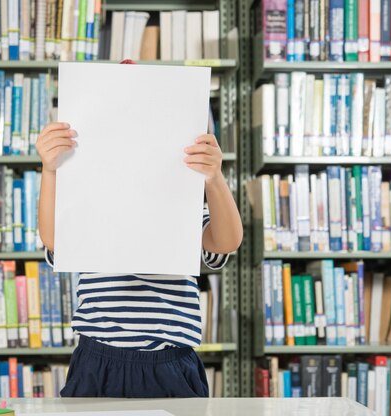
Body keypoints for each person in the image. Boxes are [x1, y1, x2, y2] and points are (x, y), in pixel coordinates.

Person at [36, 69, 243, 398]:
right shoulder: (87, 199)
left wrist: (214, 179)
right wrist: (50, 169)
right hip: (97, 360)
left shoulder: (186, 203)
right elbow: (54, 240)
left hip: (171, 363)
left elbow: (227, 241)